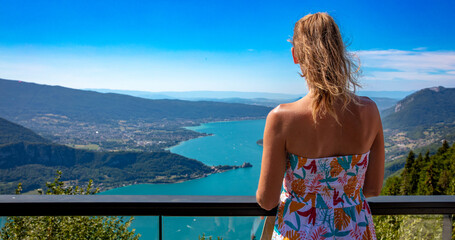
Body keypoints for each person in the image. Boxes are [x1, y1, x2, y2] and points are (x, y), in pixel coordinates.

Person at [256, 12, 384, 240]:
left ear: (295, 55)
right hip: (355, 232)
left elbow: (267, 201)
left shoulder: (281, 118)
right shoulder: (370, 111)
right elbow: (373, 189)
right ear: (339, 50)